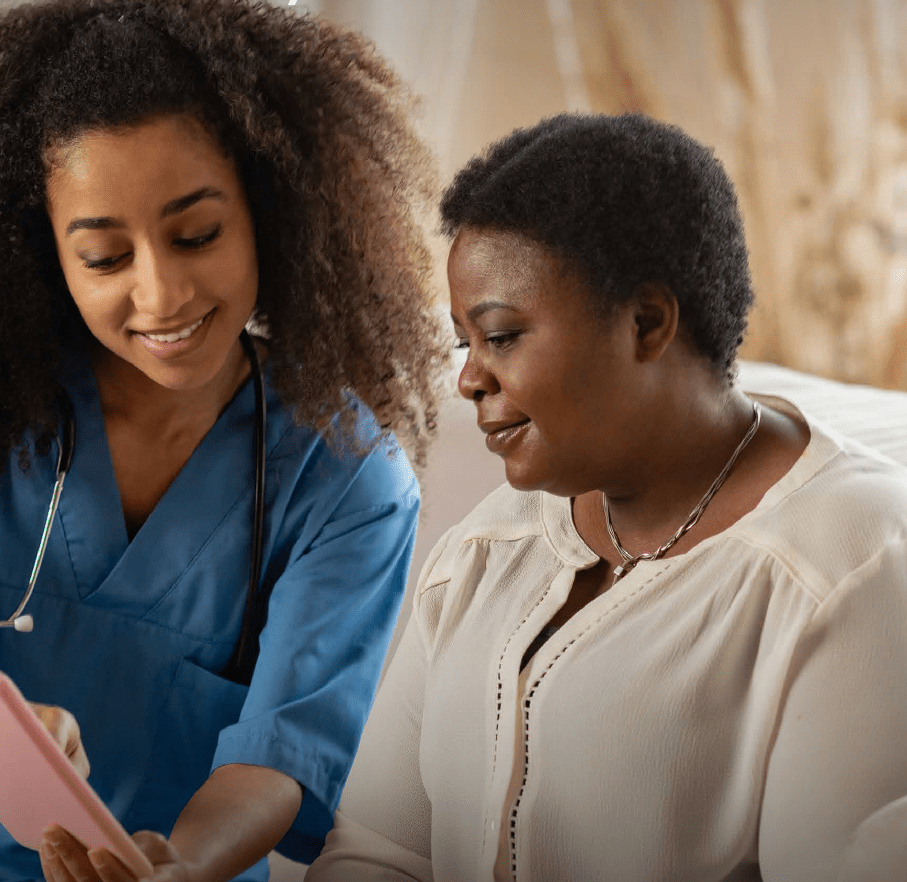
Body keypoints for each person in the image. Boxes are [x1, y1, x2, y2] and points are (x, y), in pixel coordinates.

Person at [0, 2, 450, 880]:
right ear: (42, 252)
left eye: (196, 234)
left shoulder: (349, 481)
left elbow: (279, 758)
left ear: (270, 214)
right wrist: (8, 737)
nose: (161, 296)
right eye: (104, 257)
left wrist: (180, 865)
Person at [306, 112, 907, 882]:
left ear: (647, 322)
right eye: (465, 342)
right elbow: (379, 849)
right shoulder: (491, 546)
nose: (468, 379)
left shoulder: (852, 566)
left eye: (502, 336)